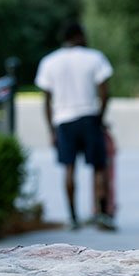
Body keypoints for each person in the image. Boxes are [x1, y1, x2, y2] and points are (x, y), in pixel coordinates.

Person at [35, 22, 115, 231]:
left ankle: (72, 217)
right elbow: (105, 93)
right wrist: (100, 117)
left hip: (64, 120)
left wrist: (51, 130)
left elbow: (46, 101)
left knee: (69, 168)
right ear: (79, 35)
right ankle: (102, 215)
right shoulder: (94, 57)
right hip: (89, 116)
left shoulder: (49, 61)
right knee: (99, 166)